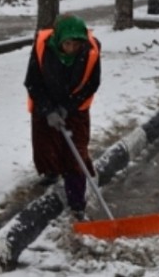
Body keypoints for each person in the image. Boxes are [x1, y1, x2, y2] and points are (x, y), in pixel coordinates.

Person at [24, 14, 102, 221]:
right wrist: (48, 110)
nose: (72, 49)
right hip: (45, 101)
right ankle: (50, 172)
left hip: (75, 107)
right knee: (45, 145)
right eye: (68, 43)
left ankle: (77, 202)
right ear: (59, 40)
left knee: (76, 152)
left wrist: (68, 107)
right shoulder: (42, 46)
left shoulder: (91, 50)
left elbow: (92, 84)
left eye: (77, 44)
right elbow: (33, 82)